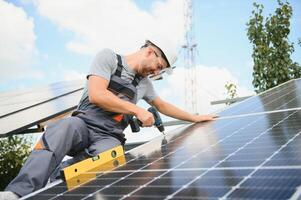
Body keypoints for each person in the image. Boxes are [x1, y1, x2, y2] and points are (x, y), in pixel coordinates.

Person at [1, 38, 216, 199]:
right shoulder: (109, 58)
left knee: (111, 161)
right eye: (158, 66)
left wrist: (194, 117)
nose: (155, 72)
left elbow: (163, 106)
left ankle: (56, 183)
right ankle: (17, 193)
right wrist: (137, 110)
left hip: (109, 136)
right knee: (62, 128)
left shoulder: (145, 85)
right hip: (82, 123)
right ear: (151, 51)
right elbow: (97, 94)